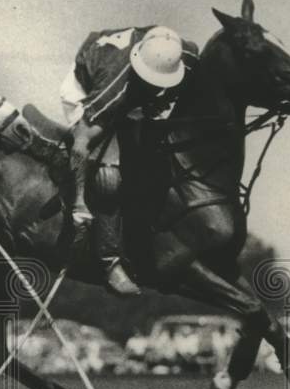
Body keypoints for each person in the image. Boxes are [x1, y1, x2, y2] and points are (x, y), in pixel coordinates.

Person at [60, 25, 198, 296]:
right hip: (83, 91)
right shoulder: (114, 89)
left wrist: (163, 97)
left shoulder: (186, 54)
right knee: (109, 177)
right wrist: (78, 203)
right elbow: (81, 144)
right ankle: (109, 263)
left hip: (130, 84)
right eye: (152, 82)